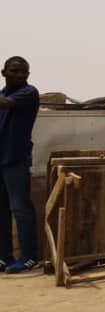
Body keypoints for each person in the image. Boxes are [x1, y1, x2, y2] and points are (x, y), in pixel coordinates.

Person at [0, 57, 40, 274]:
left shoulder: (28, 93)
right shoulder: (2, 94)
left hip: (16, 161)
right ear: (3, 72)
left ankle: (30, 257)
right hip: (1, 160)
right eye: (14, 71)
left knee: (21, 209)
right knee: (2, 211)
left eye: (23, 72)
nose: (19, 75)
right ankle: (4, 257)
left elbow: (8, 104)